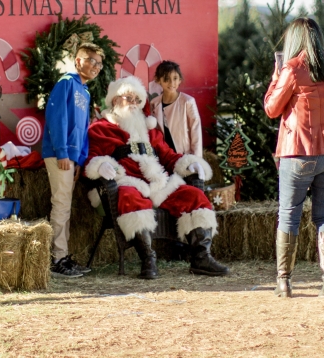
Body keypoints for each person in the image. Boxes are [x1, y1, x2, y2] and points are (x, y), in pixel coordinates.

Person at [85, 76, 229, 279]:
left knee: (194, 196)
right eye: (128, 98)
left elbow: (168, 156)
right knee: (129, 197)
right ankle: (148, 258)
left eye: (137, 99)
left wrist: (189, 163)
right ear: (115, 100)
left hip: (160, 183)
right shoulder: (101, 128)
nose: (133, 104)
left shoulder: (150, 130)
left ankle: (201, 258)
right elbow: (92, 157)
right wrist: (101, 165)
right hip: (129, 182)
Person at [264, 17, 324, 298]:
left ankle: (284, 282)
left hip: (301, 151)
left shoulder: (291, 69)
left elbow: (271, 108)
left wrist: (275, 77)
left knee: (289, 215)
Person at [42, 42, 103, 278]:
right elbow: (56, 118)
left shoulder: (85, 91)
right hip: (60, 155)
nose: (96, 66)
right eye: (91, 61)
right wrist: (63, 152)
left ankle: (63, 256)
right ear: (78, 61)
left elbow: (82, 128)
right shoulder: (66, 83)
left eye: (99, 63)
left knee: (65, 206)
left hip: (71, 159)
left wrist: (79, 160)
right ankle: (57, 260)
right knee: (61, 205)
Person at [148, 60, 203, 156]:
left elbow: (196, 131)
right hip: (163, 156)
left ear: (180, 80)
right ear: (158, 80)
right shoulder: (154, 103)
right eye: (166, 79)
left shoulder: (188, 101)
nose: (172, 83)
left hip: (184, 155)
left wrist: (196, 159)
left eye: (175, 78)